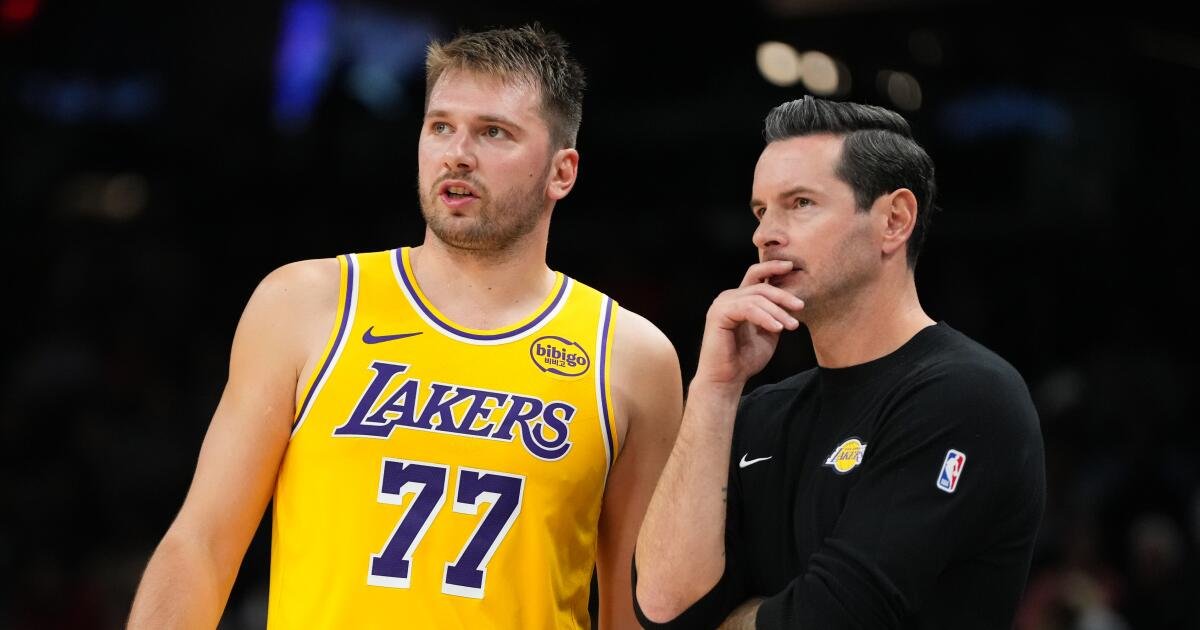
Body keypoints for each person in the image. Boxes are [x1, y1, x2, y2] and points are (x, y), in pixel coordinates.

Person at [128, 24, 682, 629]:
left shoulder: (631, 358)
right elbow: (201, 547)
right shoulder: (306, 305)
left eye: (493, 132)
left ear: (562, 172)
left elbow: (635, 614)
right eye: (441, 126)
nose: (457, 153)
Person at [633, 96, 1045, 629]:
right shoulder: (758, 412)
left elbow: (834, 617)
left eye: (800, 203)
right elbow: (663, 608)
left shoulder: (966, 395)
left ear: (894, 220)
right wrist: (715, 388)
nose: (764, 234)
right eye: (760, 211)